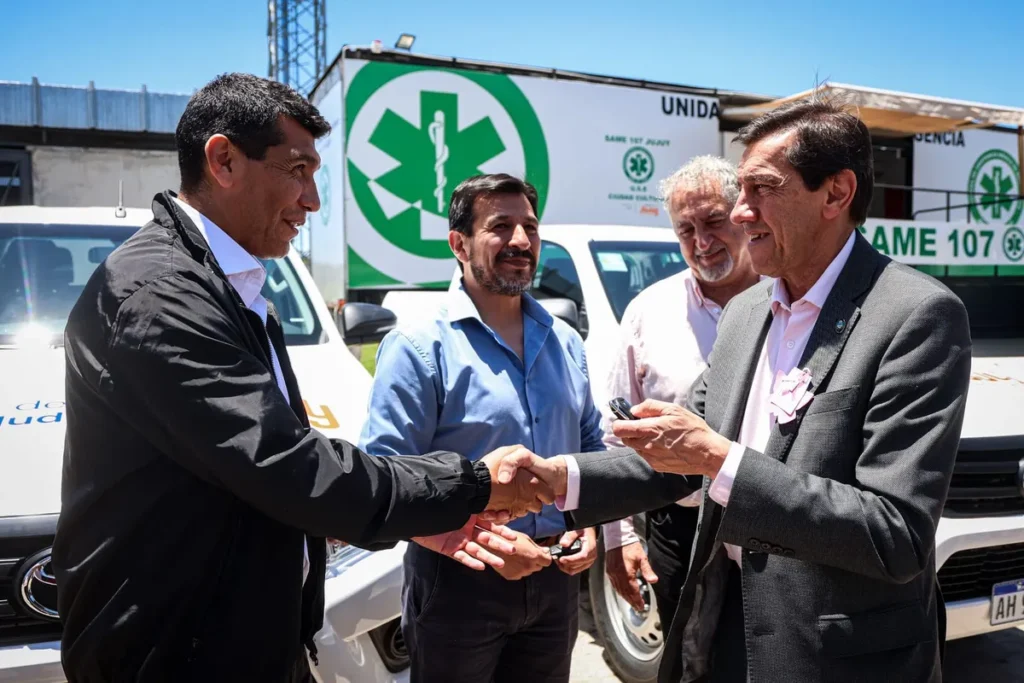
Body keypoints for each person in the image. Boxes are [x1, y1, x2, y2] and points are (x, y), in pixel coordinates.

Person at [53, 74, 551, 683]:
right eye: (297, 171)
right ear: (223, 160)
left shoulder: (223, 284)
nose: (312, 201)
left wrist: (425, 518)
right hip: (177, 657)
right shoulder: (160, 297)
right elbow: (290, 468)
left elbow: (262, 478)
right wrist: (473, 483)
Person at [518, 99, 972, 683]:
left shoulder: (916, 315)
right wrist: (555, 479)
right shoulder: (748, 311)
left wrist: (720, 460)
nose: (739, 211)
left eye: (762, 189)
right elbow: (674, 458)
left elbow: (895, 534)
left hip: (836, 654)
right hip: (724, 626)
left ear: (836, 193)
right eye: (742, 191)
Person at [360, 173, 605, 683]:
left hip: (555, 582)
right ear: (459, 244)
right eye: (501, 226)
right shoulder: (418, 346)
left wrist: (590, 524)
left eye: (530, 228)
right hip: (459, 584)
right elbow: (387, 479)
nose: (521, 241)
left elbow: (589, 445)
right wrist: (485, 542)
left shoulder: (565, 341)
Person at [601, 156, 759, 626]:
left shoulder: (789, 301)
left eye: (713, 222)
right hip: (678, 526)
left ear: (743, 215)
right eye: (685, 230)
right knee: (685, 655)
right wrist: (619, 538)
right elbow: (616, 433)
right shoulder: (648, 311)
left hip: (770, 522)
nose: (702, 242)